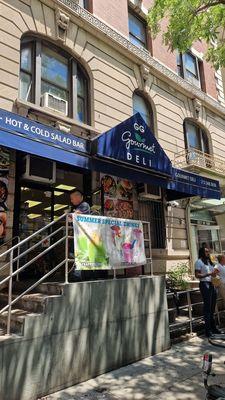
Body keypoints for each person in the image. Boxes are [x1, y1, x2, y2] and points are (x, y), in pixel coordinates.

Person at [195, 247, 220, 337]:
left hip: (212, 284)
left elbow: (214, 271)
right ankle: (207, 330)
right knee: (207, 308)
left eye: (208, 251)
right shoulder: (199, 262)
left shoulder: (209, 262)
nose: (208, 253)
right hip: (205, 284)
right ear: (202, 252)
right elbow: (197, 275)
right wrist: (209, 274)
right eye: (206, 251)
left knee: (212, 307)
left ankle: (213, 328)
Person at [69, 189, 90, 282]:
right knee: (74, 253)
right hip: (78, 235)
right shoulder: (79, 207)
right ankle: (77, 273)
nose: (71, 200)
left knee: (78, 254)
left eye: (72, 198)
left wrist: (70, 215)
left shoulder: (84, 205)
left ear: (78, 197)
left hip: (83, 235)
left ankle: (77, 274)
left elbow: (75, 216)